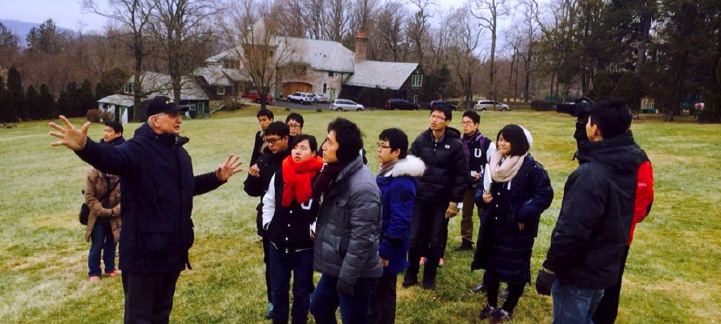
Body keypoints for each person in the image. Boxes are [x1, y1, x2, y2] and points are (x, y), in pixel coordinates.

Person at [48, 96, 242, 323]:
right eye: (173, 116)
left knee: (161, 315)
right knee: (139, 318)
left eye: (179, 115)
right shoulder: (137, 149)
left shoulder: (179, 151)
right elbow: (112, 158)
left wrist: (216, 178)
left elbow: (184, 188)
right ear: (155, 121)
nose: (179, 120)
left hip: (172, 251)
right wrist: (86, 147)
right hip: (143, 255)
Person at [535, 99, 647, 324]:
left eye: (587, 122)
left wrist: (550, 268)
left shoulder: (591, 174)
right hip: (604, 267)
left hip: (579, 273)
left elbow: (573, 230)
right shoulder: (630, 160)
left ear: (594, 129)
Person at [471, 125, 553, 323]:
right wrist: (482, 198)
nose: (501, 143)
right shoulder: (493, 164)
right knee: (492, 268)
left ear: (517, 143)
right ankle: (491, 304)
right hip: (493, 225)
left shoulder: (531, 168)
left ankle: (508, 308)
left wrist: (522, 214)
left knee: (516, 270)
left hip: (517, 229)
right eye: (499, 139)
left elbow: (544, 194)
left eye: (506, 140)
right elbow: (479, 188)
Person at [309, 118, 382, 324]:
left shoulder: (362, 187)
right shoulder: (334, 173)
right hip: (337, 266)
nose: (323, 146)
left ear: (344, 150)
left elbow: (362, 239)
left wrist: (347, 279)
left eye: (330, 142)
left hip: (356, 273)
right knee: (319, 307)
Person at [592, 122, 654, 324]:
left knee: (611, 282)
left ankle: (604, 318)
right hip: (593, 232)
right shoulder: (598, 151)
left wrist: (618, 225)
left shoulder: (637, 159)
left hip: (619, 236)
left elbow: (643, 202)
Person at [403, 106, 468, 290]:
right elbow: (409, 161)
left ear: (447, 121)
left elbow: (461, 175)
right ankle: (411, 272)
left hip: (441, 201)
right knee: (414, 237)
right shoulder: (421, 139)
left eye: (439, 117)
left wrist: (454, 202)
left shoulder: (455, 145)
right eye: (432, 116)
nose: (434, 120)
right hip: (420, 199)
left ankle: (429, 277)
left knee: (435, 239)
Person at [262, 134, 324, 324]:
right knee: (278, 290)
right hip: (278, 245)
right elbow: (269, 201)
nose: (298, 151)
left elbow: (324, 209)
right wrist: (268, 224)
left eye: (303, 148)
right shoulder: (281, 173)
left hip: (304, 248)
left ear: (313, 153)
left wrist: (313, 229)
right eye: (295, 147)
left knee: (302, 291)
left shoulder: (320, 178)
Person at [370, 128, 425, 324]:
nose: (378, 150)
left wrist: (384, 252)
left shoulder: (401, 182)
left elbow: (400, 220)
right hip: (379, 243)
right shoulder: (387, 173)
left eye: (383, 146)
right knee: (374, 293)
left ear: (397, 152)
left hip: (389, 248)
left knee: (385, 293)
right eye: (378, 145)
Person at [246, 121, 292, 319]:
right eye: (268, 141)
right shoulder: (264, 160)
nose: (271, 145)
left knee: (299, 262)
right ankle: (273, 300)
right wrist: (253, 178)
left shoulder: (293, 158)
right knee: (271, 263)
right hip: (269, 219)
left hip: (293, 217)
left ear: (285, 139)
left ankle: (304, 295)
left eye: (274, 141)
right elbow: (251, 190)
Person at [84, 121, 125, 282]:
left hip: (115, 214)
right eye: (104, 130)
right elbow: (89, 195)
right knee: (97, 245)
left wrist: (116, 210)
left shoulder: (123, 167)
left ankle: (110, 268)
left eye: (109, 131)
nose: (105, 133)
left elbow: (127, 193)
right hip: (99, 215)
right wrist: (102, 210)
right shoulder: (94, 170)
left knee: (112, 243)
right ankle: (94, 272)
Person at [457, 110, 495, 251]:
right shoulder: (459, 142)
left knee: (484, 215)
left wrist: (483, 174)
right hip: (466, 186)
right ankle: (466, 240)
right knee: (466, 214)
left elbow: (493, 164)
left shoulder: (486, 143)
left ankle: (485, 242)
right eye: (463, 122)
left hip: (482, 187)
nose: (465, 126)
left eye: (469, 123)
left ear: (477, 125)